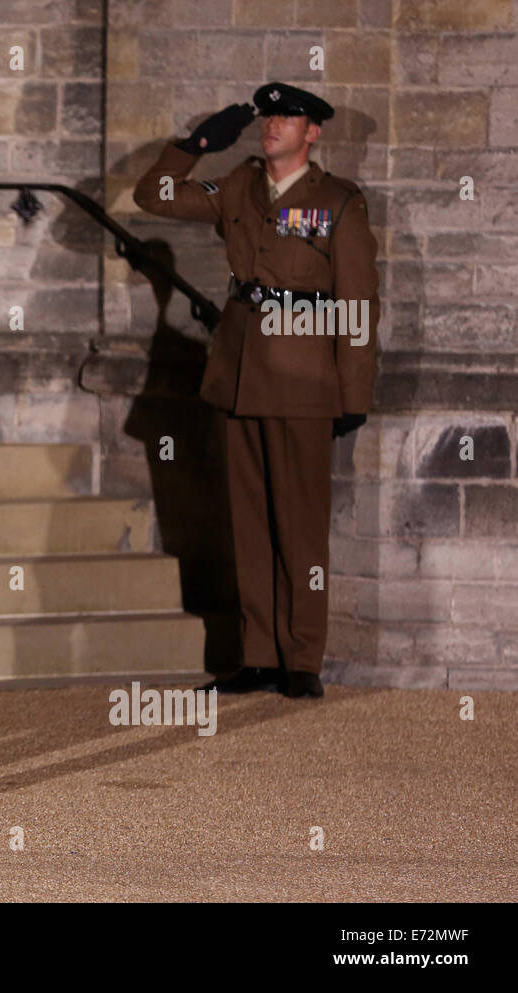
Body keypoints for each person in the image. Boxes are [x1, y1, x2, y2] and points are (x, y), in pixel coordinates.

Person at [133, 82, 379, 699]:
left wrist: (353, 396)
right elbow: (153, 196)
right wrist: (194, 146)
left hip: (303, 379)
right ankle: (259, 655)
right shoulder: (239, 185)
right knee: (248, 524)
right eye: (268, 115)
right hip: (239, 373)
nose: (273, 124)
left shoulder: (339, 202)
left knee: (301, 527)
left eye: (287, 116)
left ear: (312, 132)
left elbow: (358, 304)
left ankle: (302, 658)